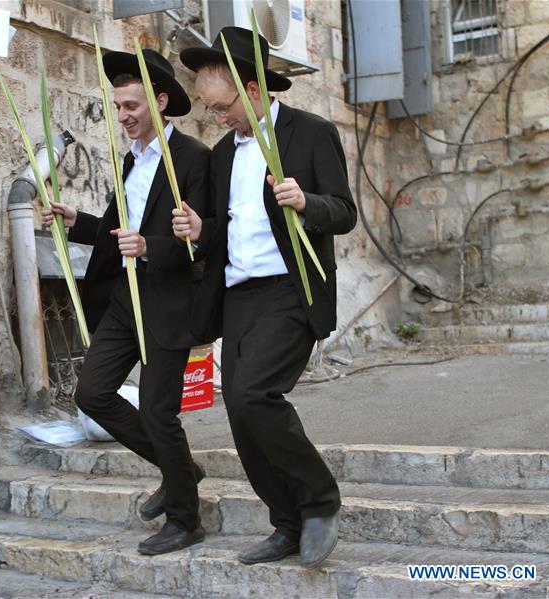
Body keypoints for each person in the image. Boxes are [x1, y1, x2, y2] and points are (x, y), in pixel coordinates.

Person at [172, 27, 357, 567]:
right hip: (238, 293)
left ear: (254, 91)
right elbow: (226, 232)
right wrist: (198, 230)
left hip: (290, 288)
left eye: (224, 106)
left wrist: (307, 202)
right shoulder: (224, 153)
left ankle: (320, 502)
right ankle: (286, 523)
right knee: (241, 411)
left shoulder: (312, 133)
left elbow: (343, 212)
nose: (218, 118)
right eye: (210, 110)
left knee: (254, 395)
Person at [42, 48, 211, 555]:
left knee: (160, 413)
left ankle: (186, 520)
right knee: (92, 393)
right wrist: (81, 222)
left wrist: (152, 248)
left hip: (169, 302)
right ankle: (180, 468)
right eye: (117, 107)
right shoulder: (128, 161)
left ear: (160, 102)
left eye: (132, 105)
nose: (123, 116)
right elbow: (123, 231)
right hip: (122, 297)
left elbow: (202, 243)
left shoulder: (194, 161)